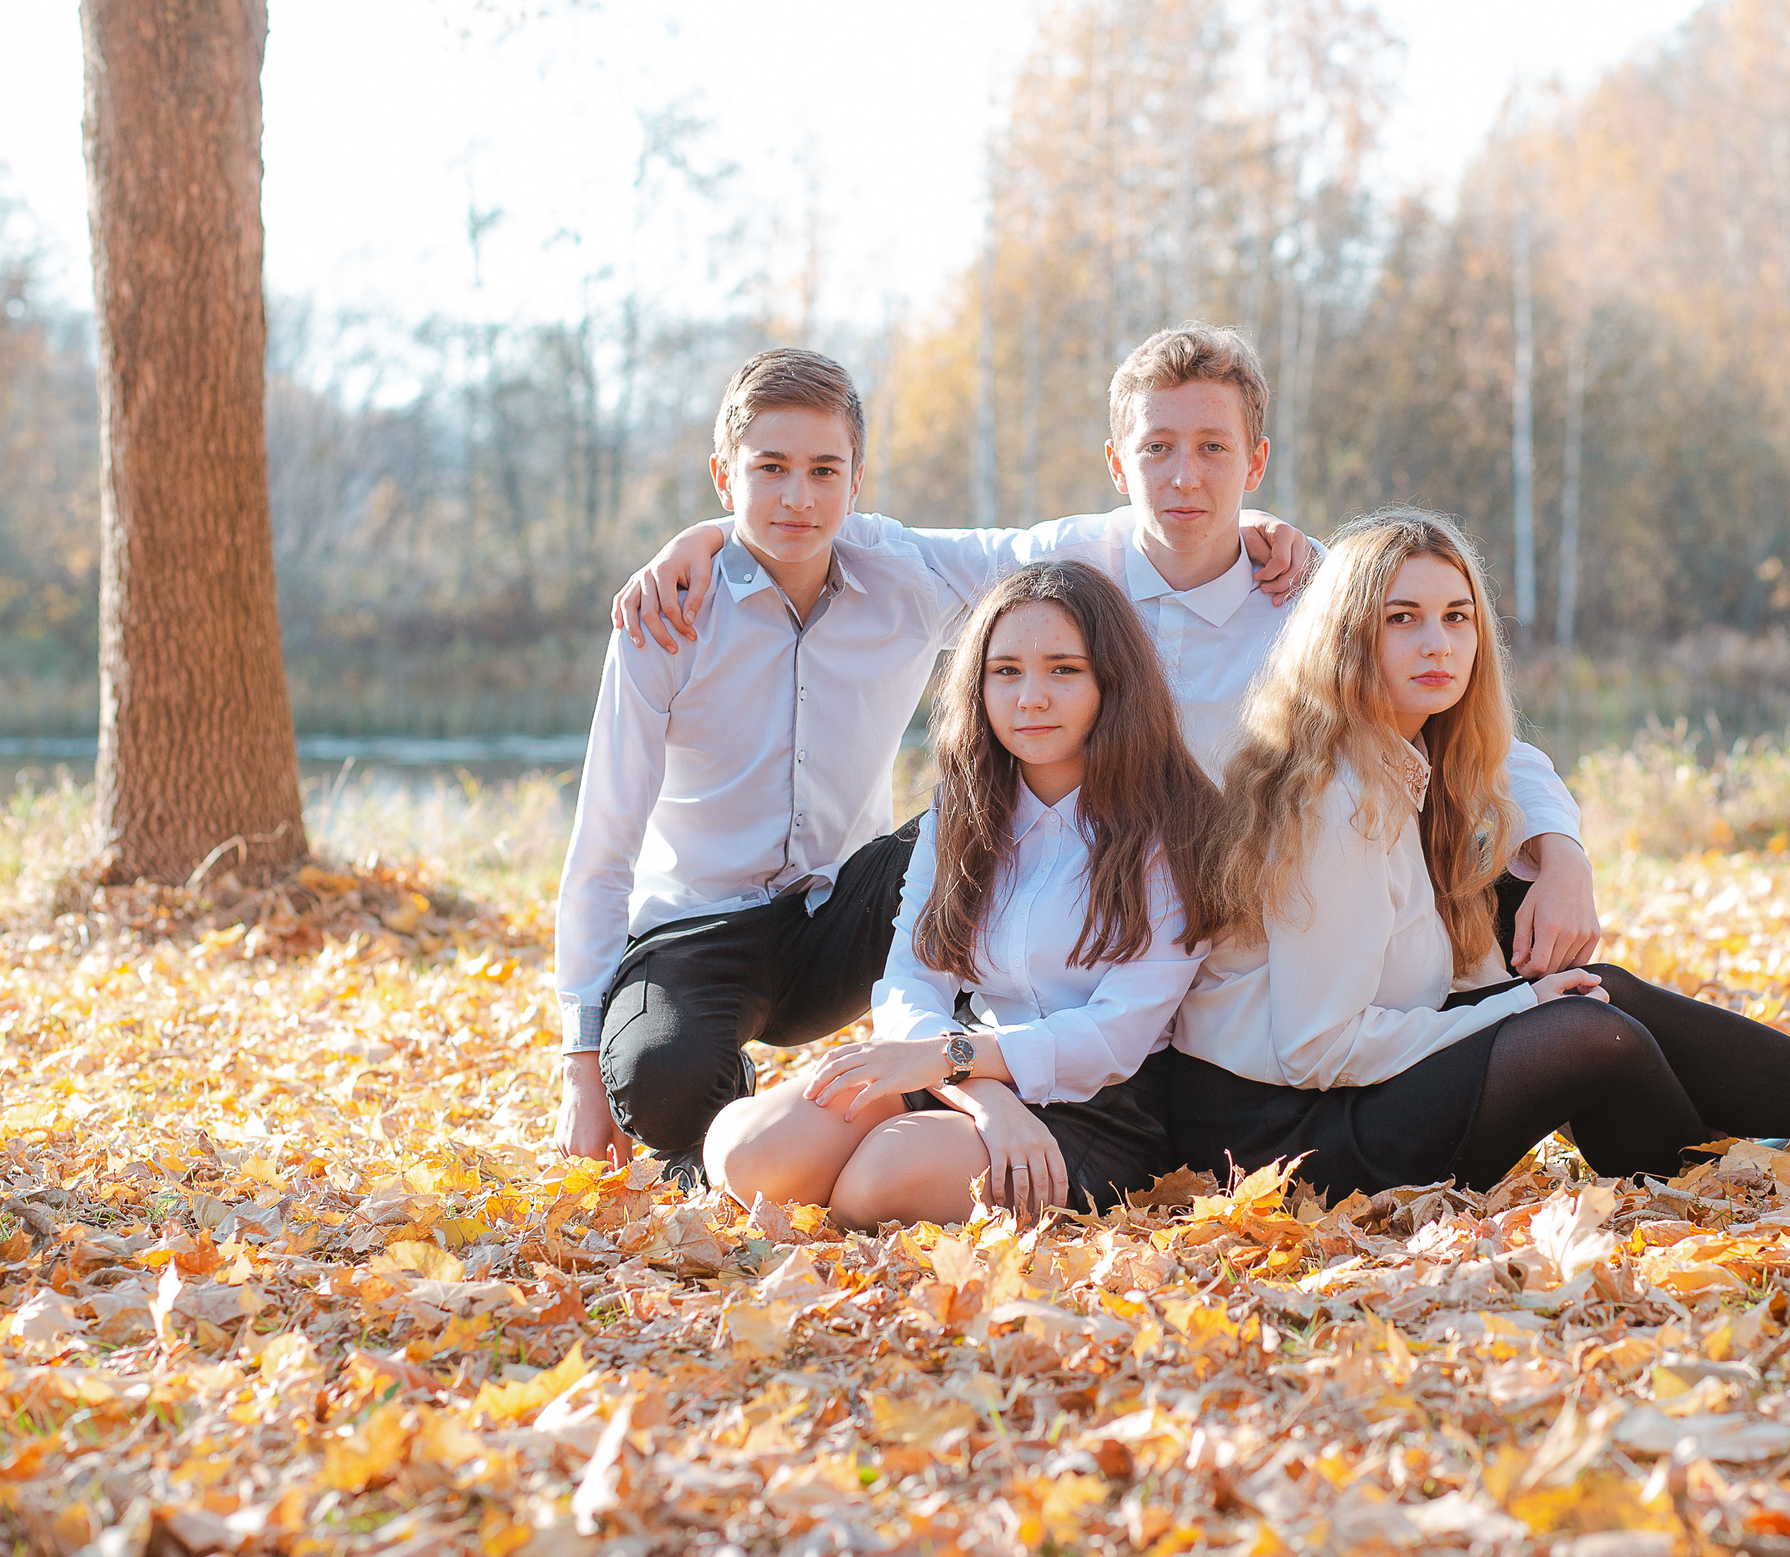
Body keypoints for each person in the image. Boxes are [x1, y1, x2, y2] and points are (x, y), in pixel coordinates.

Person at [615, 324, 1604, 979]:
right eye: (1158, 449)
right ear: (1116, 462)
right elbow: (855, 536)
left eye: (1214, 449)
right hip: (1136, 939)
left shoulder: (1305, 590)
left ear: (1254, 461)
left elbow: (1468, 729)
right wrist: (705, 538)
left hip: (1315, 915)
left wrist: (1563, 857)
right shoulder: (1060, 567)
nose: (1185, 476)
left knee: (1582, 981)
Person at [552, 348, 1306, 1179]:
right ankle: (761, 1098)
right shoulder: (670, 614)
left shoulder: (902, 573)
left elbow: (1083, 564)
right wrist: (578, 1063)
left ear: (856, 478)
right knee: (670, 1087)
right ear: (726, 480)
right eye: (770, 469)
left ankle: (948, 1075)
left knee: (961, 832)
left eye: (822, 470)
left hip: (845, 909)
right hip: (702, 928)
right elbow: (601, 846)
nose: (798, 496)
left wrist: (1260, 530)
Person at [1170, 508, 1790, 1199]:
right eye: (1403, 619)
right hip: (1287, 1141)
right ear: (1348, 638)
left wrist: (1557, 885)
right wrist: (1518, 1008)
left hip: (1343, 1091)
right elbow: (1319, 1048)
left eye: (1456, 617)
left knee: (1591, 998)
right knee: (1584, 1033)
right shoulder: (1336, 797)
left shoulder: (1404, 759)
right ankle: (1753, 1147)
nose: (1438, 643)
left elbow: (1517, 775)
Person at [702, 561, 1215, 1227]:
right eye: (1006, 671)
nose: (1030, 697)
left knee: (879, 1183)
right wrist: (975, 1085)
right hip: (958, 1066)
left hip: (1096, 1106)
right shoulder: (964, 814)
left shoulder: (1174, 830)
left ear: (1112, 683)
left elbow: (1114, 1036)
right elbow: (910, 976)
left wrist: (958, 1065)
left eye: (1063, 669)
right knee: (751, 1151)